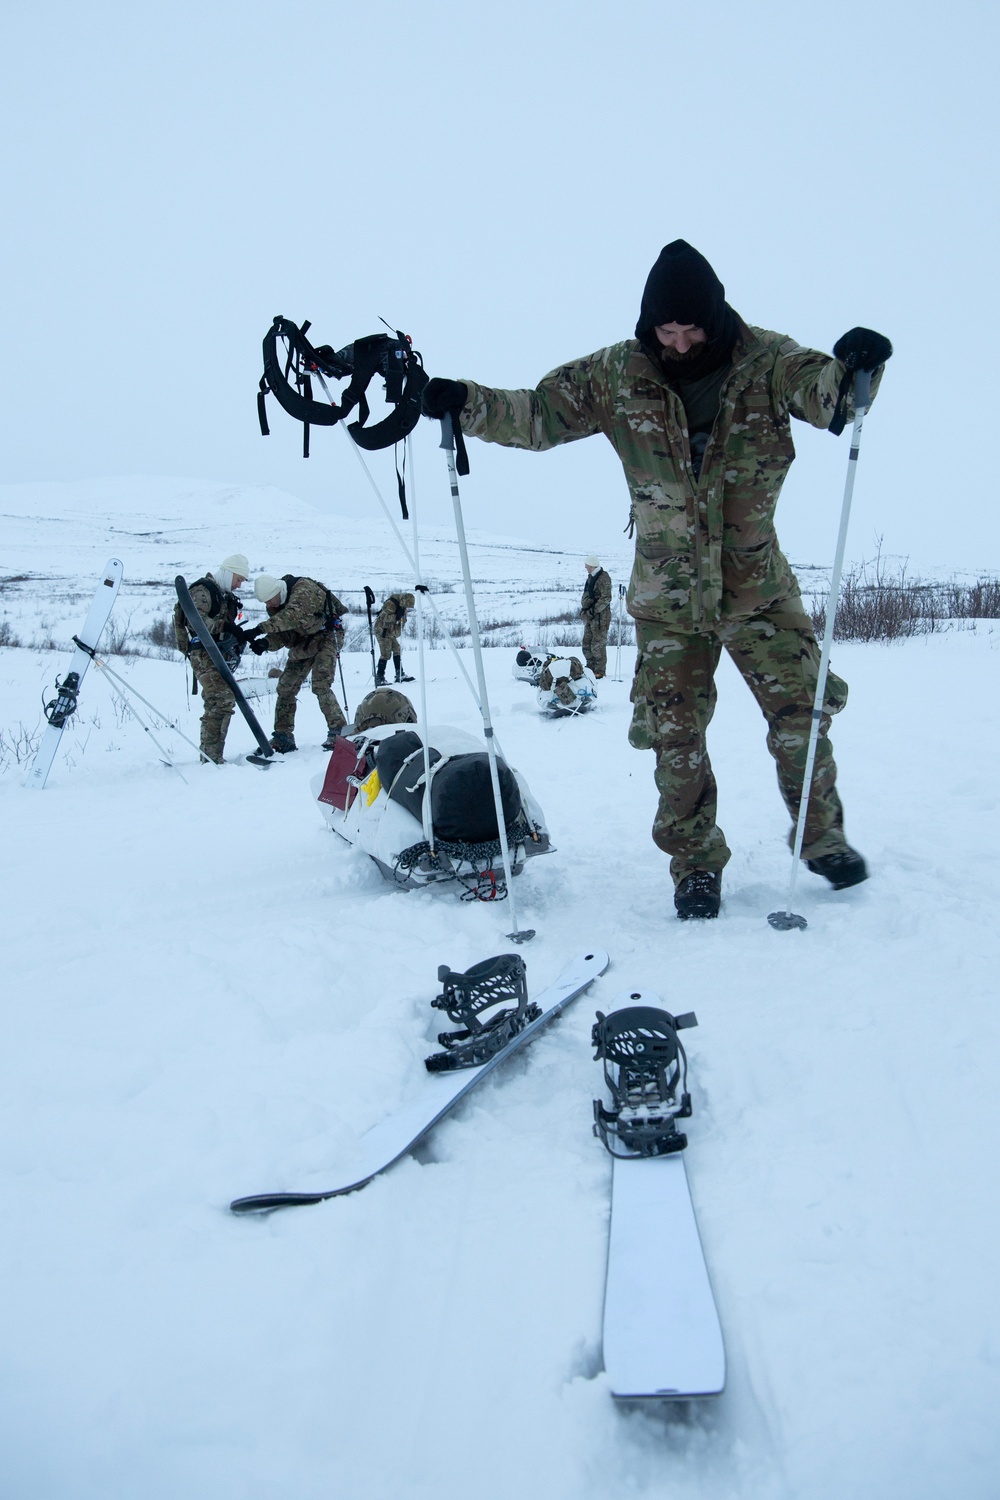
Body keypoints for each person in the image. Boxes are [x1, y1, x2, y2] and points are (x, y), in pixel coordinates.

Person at [421, 239, 892, 920]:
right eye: (663, 330)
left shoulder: (767, 361)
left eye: (690, 327)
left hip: (759, 589)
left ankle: (821, 839)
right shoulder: (618, 372)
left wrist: (855, 368)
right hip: (668, 598)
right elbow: (535, 414)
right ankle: (695, 864)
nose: (676, 342)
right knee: (675, 734)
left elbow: (829, 397)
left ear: (716, 316)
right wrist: (463, 401)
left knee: (804, 715)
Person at [247, 573, 348, 752]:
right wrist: (266, 643)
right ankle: (283, 736)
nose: (268, 605)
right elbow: (286, 633)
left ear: (276, 590)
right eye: (265, 603)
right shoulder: (276, 605)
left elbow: (291, 616)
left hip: (327, 635)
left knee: (321, 683)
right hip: (305, 641)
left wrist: (259, 629)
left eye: (269, 600)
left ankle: (339, 732)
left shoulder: (302, 589)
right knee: (286, 687)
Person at [173, 552, 249, 763]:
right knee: (221, 698)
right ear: (229, 573)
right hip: (202, 653)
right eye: (239, 579)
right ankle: (211, 757)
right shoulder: (203, 590)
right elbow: (196, 621)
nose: (239, 585)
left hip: (217, 653)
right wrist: (224, 626)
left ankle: (212, 755)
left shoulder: (223, 594)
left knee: (220, 700)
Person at [580, 555, 612, 676]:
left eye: (587, 565)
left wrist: (593, 611)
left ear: (592, 565)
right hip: (590, 616)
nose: (585, 567)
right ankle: (590, 667)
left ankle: (599, 670)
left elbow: (606, 597)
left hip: (600, 617)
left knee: (597, 644)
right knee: (586, 643)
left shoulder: (603, 578)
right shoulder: (591, 577)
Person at [373, 592, 416, 684]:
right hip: (382, 630)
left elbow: (402, 620)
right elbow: (384, 618)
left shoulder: (402, 606)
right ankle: (379, 677)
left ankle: (399, 674)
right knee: (386, 653)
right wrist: (396, 616)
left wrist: (401, 619)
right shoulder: (391, 604)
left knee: (397, 649)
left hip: (390, 630)